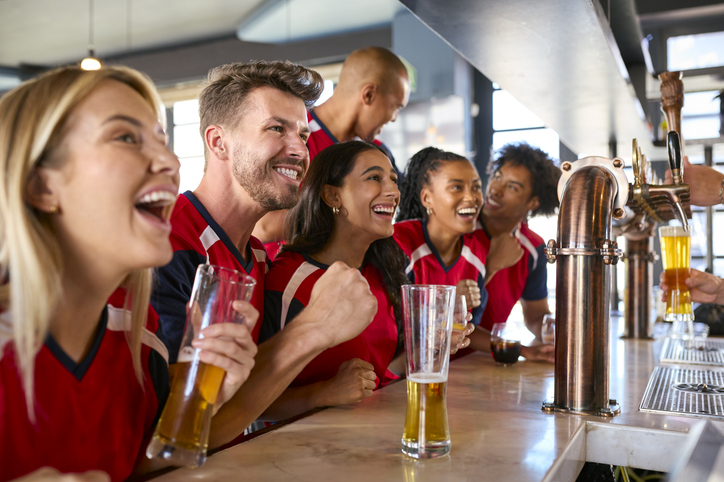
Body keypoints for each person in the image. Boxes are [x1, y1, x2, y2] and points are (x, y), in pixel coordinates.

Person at [0, 66, 257, 481]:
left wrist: (204, 401)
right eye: (125, 137)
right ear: (42, 187)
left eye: (162, 140)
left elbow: (131, 467)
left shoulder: (142, 338)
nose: (170, 162)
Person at [149, 61, 378, 447]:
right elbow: (175, 429)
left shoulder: (255, 255)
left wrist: (320, 391)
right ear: (218, 142)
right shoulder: (168, 246)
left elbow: (251, 396)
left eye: (303, 135)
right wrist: (313, 329)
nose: (299, 150)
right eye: (276, 129)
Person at [252, 46, 411, 258]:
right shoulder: (294, 138)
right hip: (284, 280)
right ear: (369, 95)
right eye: (396, 106)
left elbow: (408, 201)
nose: (393, 118)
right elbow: (262, 226)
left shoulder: (378, 152)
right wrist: (345, 210)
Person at [468, 143, 560, 363]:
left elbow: (536, 315)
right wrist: (492, 263)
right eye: (497, 177)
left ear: (533, 202)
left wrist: (557, 331)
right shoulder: (460, 229)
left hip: (486, 362)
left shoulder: (534, 248)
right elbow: (447, 318)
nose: (495, 190)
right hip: (444, 358)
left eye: (512, 187)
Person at [394, 147, 489, 325]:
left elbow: (467, 330)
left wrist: (525, 349)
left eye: (476, 187)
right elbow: (392, 326)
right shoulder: (400, 242)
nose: (471, 197)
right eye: (456, 187)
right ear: (427, 198)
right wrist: (447, 303)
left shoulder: (476, 252)